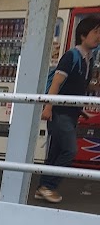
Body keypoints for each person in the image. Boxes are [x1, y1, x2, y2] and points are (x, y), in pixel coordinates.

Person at [36, 14, 100, 205]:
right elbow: (57, 83)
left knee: (56, 152)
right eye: (96, 32)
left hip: (70, 113)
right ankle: (48, 186)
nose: (98, 36)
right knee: (70, 150)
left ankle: (44, 188)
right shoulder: (71, 56)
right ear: (83, 35)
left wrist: (80, 107)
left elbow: (76, 86)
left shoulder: (88, 58)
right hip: (59, 113)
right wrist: (48, 108)